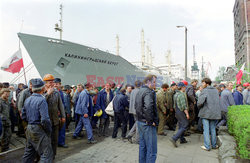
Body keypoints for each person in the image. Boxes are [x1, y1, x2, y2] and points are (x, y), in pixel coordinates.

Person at [22, 78, 53, 162]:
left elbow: (23, 116)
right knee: (46, 154)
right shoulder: (42, 100)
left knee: (29, 152)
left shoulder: (27, 100)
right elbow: (45, 120)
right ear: (43, 88)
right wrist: (48, 131)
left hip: (29, 128)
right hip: (38, 129)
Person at [135, 74, 158, 163]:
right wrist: (150, 120)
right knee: (152, 149)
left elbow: (137, 106)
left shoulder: (140, 91)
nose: (155, 84)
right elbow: (148, 107)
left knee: (143, 146)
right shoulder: (148, 92)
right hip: (147, 123)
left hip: (140, 122)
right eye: (154, 82)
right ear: (148, 82)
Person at [43, 74, 65, 159]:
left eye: (53, 82)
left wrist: (63, 117)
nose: (52, 84)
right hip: (46, 121)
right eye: (50, 82)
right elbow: (40, 102)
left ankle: (53, 156)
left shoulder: (56, 92)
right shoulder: (41, 92)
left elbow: (60, 105)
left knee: (54, 140)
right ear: (45, 83)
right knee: (46, 140)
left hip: (55, 120)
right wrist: (48, 93)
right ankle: (46, 156)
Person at [197, 78, 221, 151]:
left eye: (203, 83)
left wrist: (199, 107)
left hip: (206, 113)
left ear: (207, 83)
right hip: (214, 113)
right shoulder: (216, 90)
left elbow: (200, 102)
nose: (202, 84)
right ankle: (214, 145)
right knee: (213, 129)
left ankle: (207, 146)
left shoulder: (205, 91)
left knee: (206, 130)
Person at [169, 82, 189, 147]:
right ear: (182, 87)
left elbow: (174, 105)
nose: (185, 88)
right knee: (185, 125)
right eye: (185, 87)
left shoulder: (176, 94)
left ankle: (182, 139)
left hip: (177, 111)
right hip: (181, 111)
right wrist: (187, 114)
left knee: (181, 125)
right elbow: (184, 106)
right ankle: (174, 138)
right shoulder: (182, 95)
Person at [54, 78, 68, 148]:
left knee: (62, 128)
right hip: (55, 113)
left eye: (57, 84)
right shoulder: (53, 92)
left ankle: (61, 142)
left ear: (60, 84)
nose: (55, 85)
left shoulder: (61, 92)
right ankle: (57, 142)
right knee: (56, 129)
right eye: (55, 84)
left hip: (60, 113)